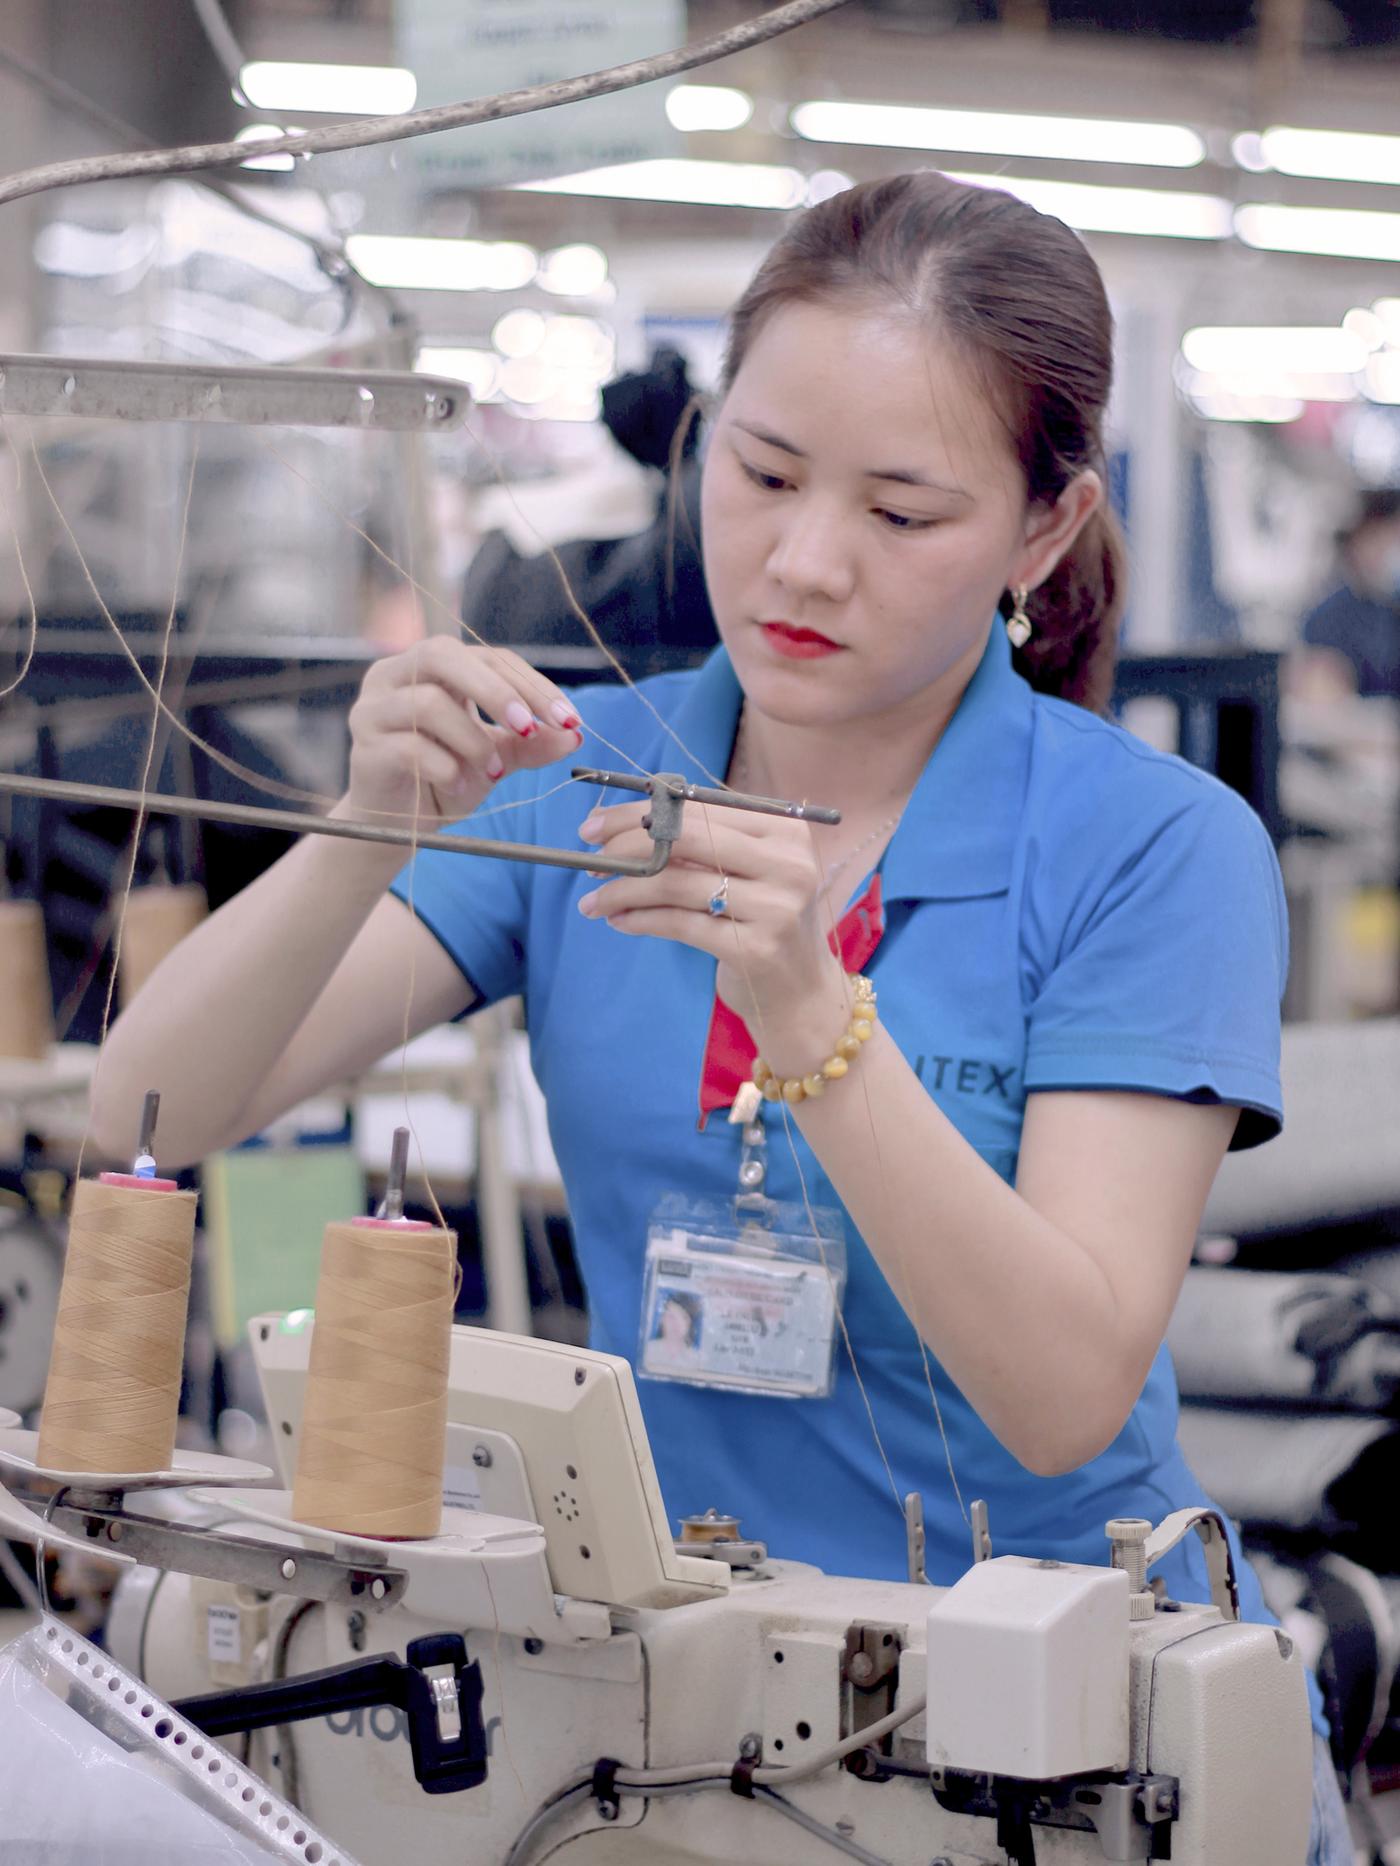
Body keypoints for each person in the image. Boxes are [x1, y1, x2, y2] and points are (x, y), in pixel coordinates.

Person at [95, 171, 1349, 1859]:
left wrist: (813, 1018)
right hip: (679, 1726)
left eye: (902, 514)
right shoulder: (578, 783)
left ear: (1042, 533)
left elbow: (1061, 1392)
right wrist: (361, 826)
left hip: (1061, 1735)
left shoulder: (1153, 850)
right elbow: (148, 1121)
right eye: (761, 475)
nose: (804, 560)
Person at [1296, 487, 1400, 701]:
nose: (1389, 553)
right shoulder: (1329, 619)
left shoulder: (1388, 610)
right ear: (1358, 540)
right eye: (1382, 541)